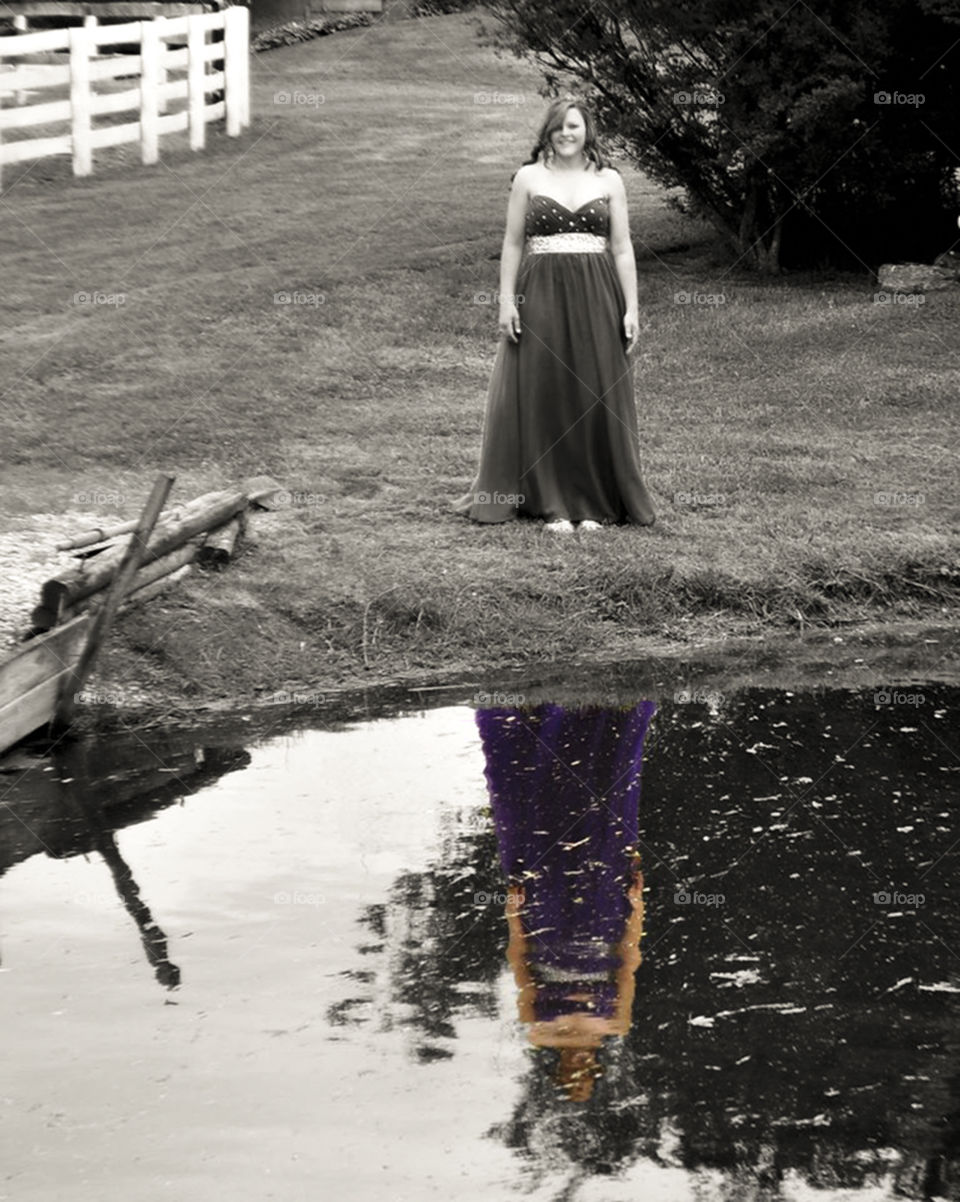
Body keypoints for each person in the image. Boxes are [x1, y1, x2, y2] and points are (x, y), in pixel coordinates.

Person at [453, 95, 656, 533]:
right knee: (545, 388)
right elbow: (511, 243)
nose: (566, 133)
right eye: (559, 126)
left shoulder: (610, 181)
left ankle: (595, 502)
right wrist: (506, 300)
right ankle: (551, 501)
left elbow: (621, 248)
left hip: (597, 294)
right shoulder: (527, 178)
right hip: (540, 292)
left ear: (588, 132)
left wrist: (631, 307)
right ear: (548, 131)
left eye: (574, 126)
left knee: (594, 390)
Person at [474, 700, 658, 1101]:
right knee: (599, 816)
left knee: (543, 823)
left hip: (547, 918)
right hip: (604, 914)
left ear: (560, 1071)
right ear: (594, 1068)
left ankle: (546, 719)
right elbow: (628, 964)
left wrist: (515, 914)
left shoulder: (537, 1029)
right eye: (585, 1075)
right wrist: (637, 905)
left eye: (572, 1075)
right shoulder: (616, 1024)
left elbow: (520, 963)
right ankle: (601, 714)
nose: (578, 1068)